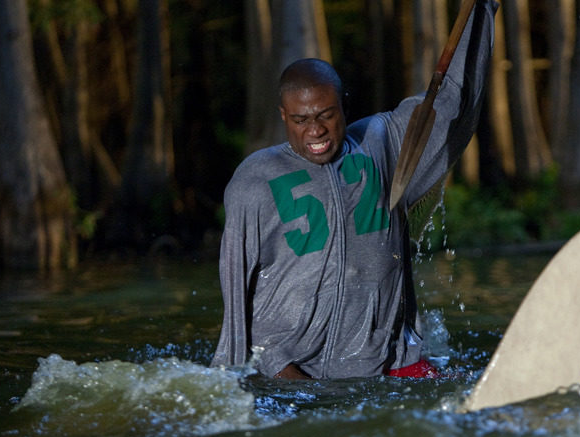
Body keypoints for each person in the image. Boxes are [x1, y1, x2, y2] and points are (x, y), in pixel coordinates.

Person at [212, 1, 497, 380]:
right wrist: (234, 378)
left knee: (462, 403)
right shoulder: (255, 179)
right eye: (300, 120)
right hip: (292, 369)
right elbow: (235, 286)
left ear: (342, 106)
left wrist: (482, 10)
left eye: (325, 115)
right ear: (283, 115)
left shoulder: (382, 142)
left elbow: (451, 103)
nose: (315, 130)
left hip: (387, 358)